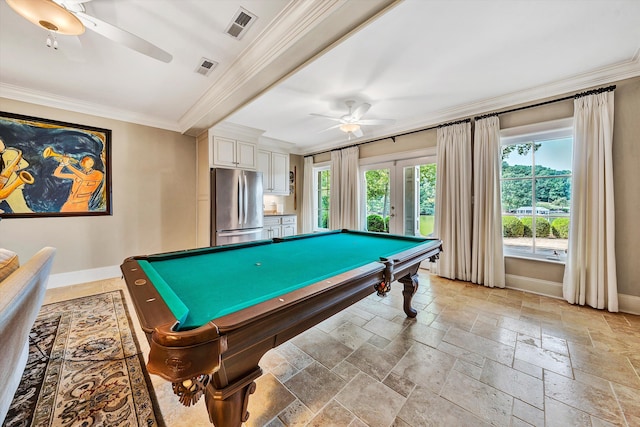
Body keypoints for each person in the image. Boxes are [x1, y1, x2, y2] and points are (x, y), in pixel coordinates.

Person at [0, 138, 33, 212]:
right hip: (1, 186)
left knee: (21, 210)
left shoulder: (11, 152)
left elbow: (25, 163)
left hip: (12, 185)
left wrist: (18, 167)